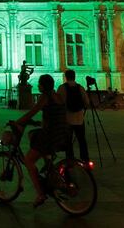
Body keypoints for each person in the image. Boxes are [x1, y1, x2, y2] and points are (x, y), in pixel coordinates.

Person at [13, 74, 70, 208]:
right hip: (63, 133)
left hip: (51, 134)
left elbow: (31, 112)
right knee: (34, 135)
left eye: (39, 83)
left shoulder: (46, 97)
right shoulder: (59, 97)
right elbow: (54, 115)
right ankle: (49, 167)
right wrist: (40, 122)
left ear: (43, 86)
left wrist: (18, 122)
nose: (38, 85)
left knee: (28, 160)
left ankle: (40, 193)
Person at [57, 70, 90, 162]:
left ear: (65, 77)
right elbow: (87, 103)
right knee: (82, 140)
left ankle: (70, 159)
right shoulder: (80, 88)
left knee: (68, 140)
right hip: (79, 119)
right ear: (74, 77)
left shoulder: (62, 88)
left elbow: (58, 103)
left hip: (67, 119)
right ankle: (85, 158)